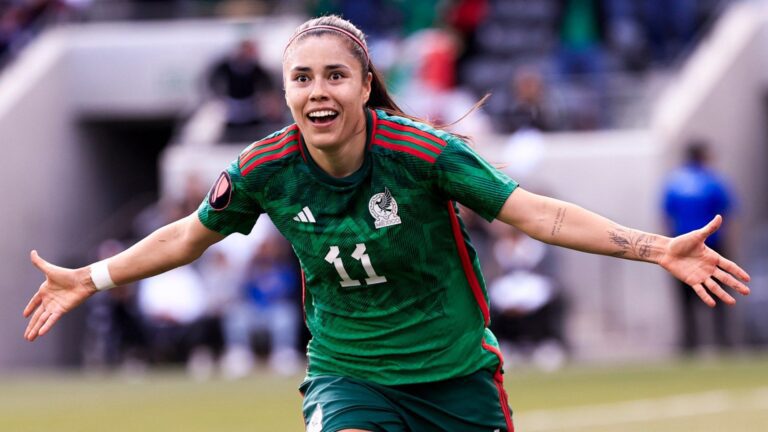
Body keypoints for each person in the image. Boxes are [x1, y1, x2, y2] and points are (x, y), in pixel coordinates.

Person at [23, 15, 750, 432]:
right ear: (285, 92)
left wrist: (657, 248)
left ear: (366, 84)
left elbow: (541, 214)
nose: (318, 91)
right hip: (350, 379)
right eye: (301, 78)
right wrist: (92, 277)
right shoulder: (263, 168)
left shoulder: (423, 154)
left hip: (457, 378)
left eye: (334, 75)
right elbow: (187, 234)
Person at [662, 140, 735, 353]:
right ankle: (722, 340)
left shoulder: (674, 183)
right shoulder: (713, 181)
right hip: (711, 246)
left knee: (685, 298)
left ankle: (689, 341)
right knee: (719, 293)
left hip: (682, 246)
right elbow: (727, 215)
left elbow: (666, 216)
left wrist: (668, 245)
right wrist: (729, 245)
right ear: (703, 156)